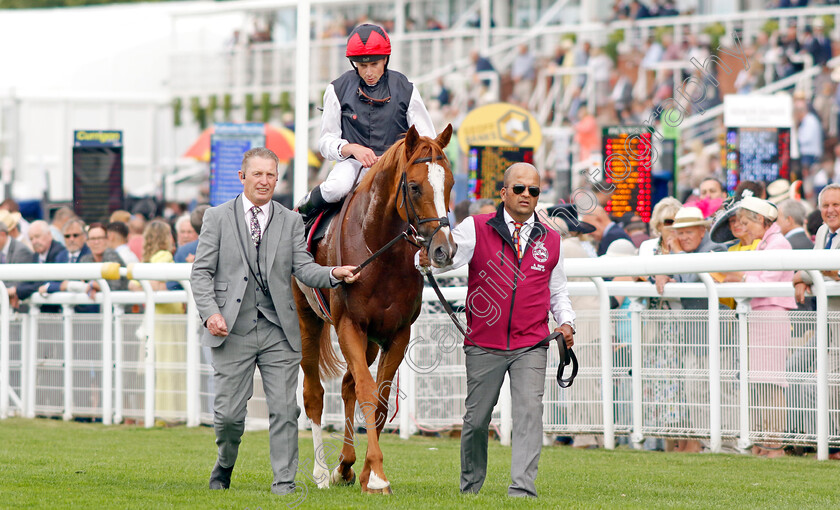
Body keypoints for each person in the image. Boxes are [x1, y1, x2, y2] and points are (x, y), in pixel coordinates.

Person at [190, 147, 359, 495]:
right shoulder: (217, 217)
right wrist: (210, 314)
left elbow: (304, 268)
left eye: (270, 174)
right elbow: (201, 273)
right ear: (242, 177)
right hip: (230, 329)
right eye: (257, 174)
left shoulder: (291, 220)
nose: (265, 181)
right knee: (228, 417)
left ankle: (284, 481)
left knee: (285, 410)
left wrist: (334, 273)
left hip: (278, 331)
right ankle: (224, 463)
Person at [418, 163, 575, 498]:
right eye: (519, 189)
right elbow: (448, 258)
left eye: (533, 190)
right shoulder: (476, 227)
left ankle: (522, 490)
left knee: (529, 413)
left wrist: (566, 322)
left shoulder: (551, 239)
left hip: (532, 343)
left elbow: (558, 291)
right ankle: (470, 489)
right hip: (483, 344)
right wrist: (432, 255)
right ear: (504, 193)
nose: (526, 196)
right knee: (476, 421)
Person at [296, 23, 436, 222]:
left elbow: (427, 139)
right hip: (352, 164)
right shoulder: (336, 89)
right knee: (336, 188)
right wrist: (352, 148)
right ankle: (299, 219)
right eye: (362, 66)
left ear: (385, 60)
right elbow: (326, 141)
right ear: (355, 64)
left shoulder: (407, 89)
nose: (369, 72)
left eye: (374, 65)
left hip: (397, 166)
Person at [0, 210, 35, 309]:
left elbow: (19, 283)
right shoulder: (5, 248)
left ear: (2, 234)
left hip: (20, 309)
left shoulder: (21, 250)